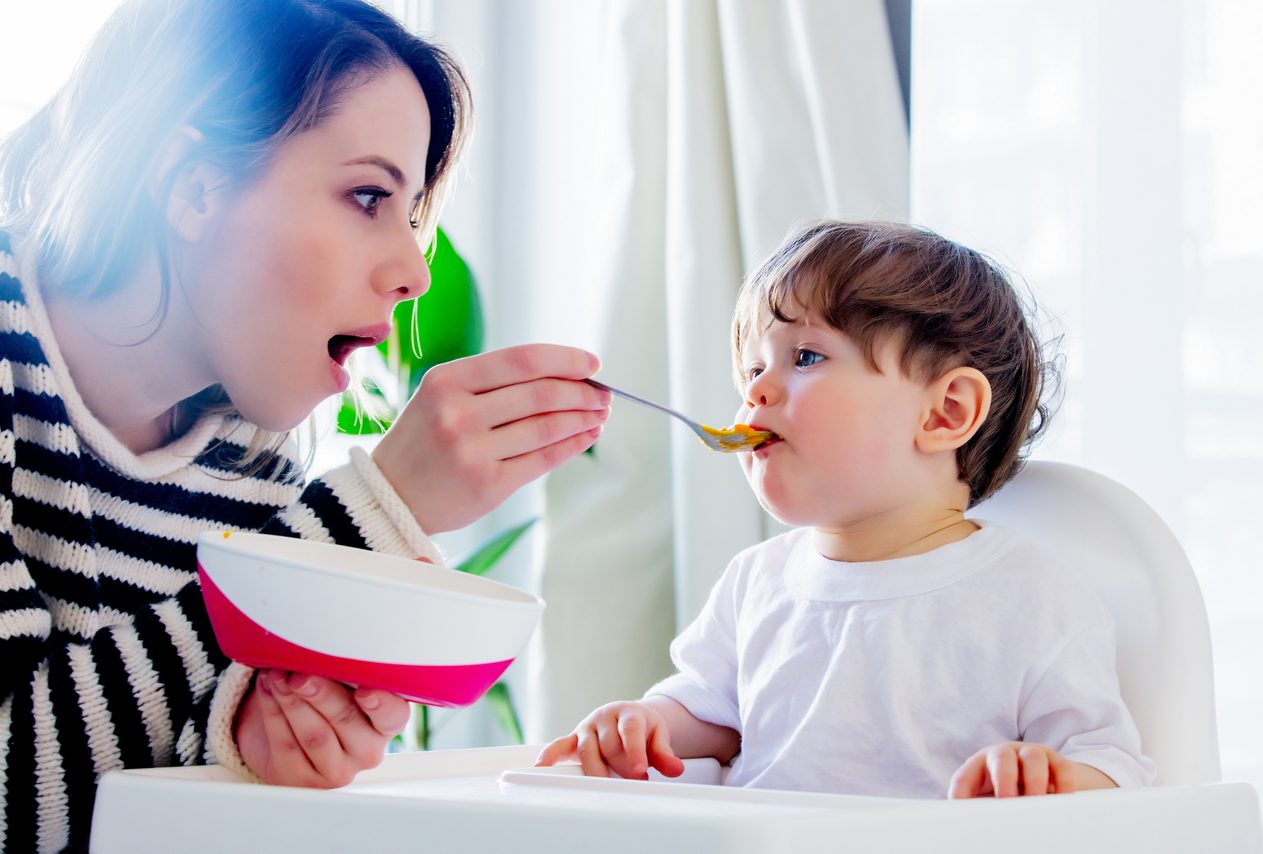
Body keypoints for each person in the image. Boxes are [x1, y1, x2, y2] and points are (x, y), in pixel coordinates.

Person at [0, 0, 611, 850]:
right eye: (367, 196)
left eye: (410, 214)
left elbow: (148, 795)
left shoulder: (250, 461)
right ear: (196, 187)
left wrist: (249, 739)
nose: (412, 273)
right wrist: (374, 513)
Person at [537, 220, 1156, 800]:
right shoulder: (756, 582)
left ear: (945, 414)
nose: (754, 390)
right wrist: (645, 725)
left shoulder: (1030, 597)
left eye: (805, 356)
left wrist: (1052, 779)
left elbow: (1115, 768)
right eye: (753, 367)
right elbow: (708, 712)